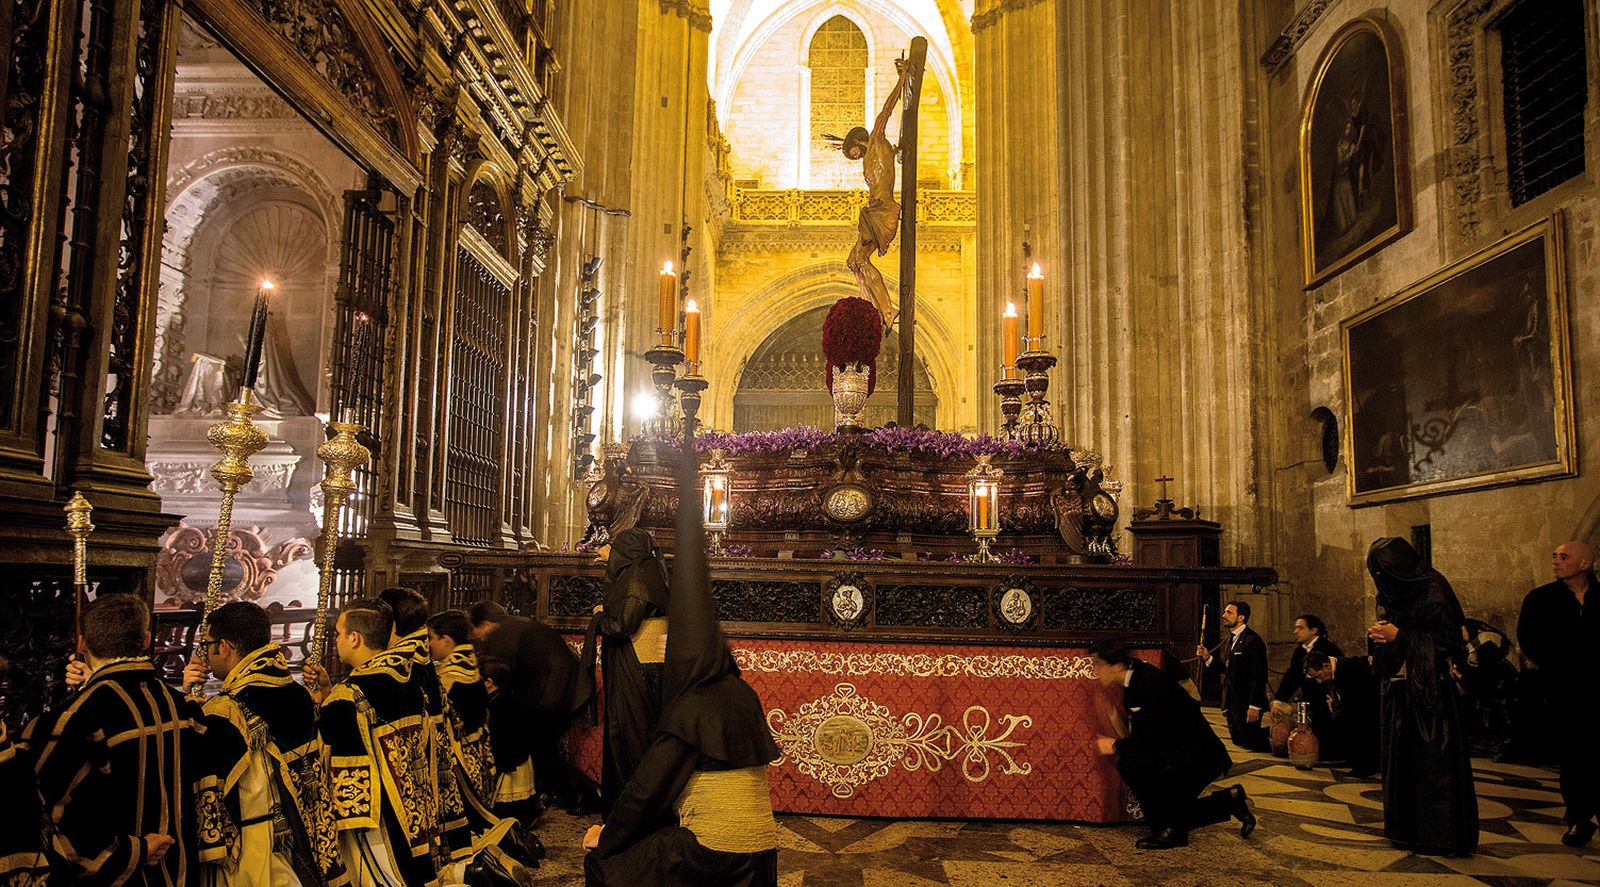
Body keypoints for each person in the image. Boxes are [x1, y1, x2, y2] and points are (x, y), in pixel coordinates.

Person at [582, 435, 780, 885]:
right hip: (763, 864)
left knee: (606, 865)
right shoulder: (741, 694)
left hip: (712, 859)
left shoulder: (690, 709)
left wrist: (607, 835)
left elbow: (646, 793)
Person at [24, 592, 202, 885]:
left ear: (82, 643)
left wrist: (136, 850)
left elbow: (46, 815)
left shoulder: (76, 718)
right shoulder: (185, 708)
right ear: (146, 640)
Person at [182, 601, 345, 886]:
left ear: (224, 646)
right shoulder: (300, 694)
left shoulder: (227, 710)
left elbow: (198, 780)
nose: (205, 655)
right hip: (304, 841)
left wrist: (188, 707)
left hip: (251, 850)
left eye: (206, 645)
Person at [305, 598, 441, 885]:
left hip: (375, 820)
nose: (338, 640)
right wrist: (328, 694)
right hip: (413, 804)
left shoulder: (350, 694)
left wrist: (320, 706)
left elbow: (324, 754)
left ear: (355, 638)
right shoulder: (407, 679)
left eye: (340, 634)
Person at [1366, 537, 1478, 856]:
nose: (1380, 581)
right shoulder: (1390, 590)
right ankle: (1404, 830)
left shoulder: (1432, 589)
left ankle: (1440, 836)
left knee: (1434, 767)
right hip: (1399, 691)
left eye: (1383, 573)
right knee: (1400, 764)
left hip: (1430, 695)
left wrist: (1399, 636)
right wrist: (1382, 639)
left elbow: (1449, 641)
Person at [1091, 639, 1253, 850]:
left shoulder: (1148, 682)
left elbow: (1154, 736)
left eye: (1098, 664)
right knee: (1134, 766)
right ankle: (1228, 800)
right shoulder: (1135, 679)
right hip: (1178, 754)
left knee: (1143, 778)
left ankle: (1170, 831)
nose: (1095, 671)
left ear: (1116, 665)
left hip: (1198, 758)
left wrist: (1115, 745)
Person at [426, 608, 546, 872]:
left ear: (446, 640)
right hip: (480, 754)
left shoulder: (449, 676)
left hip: (461, 760)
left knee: (469, 824)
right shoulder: (472, 664)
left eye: (431, 638)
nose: (428, 645)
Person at [470, 600, 596, 811]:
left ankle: (580, 796)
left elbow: (499, 672)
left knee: (542, 750)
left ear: (485, 624)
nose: (476, 637)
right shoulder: (518, 625)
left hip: (548, 697)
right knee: (543, 749)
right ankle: (564, 795)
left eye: (476, 631)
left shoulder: (501, 633)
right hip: (560, 691)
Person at [580, 527, 671, 811]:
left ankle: (629, 808)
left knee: (629, 736)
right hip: (646, 667)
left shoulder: (636, 579)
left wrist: (599, 616)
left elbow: (620, 626)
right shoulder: (651, 572)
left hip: (634, 668)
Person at [1516, 540, 1598, 847]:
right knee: (1573, 756)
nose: (1556, 561)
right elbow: (1528, 638)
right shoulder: (1541, 599)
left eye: (1564, 557)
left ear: (1584, 564)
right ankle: (1578, 818)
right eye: (1554, 556)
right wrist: (1558, 667)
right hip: (1565, 690)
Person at [840, 59, 912, 326]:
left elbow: (888, 109)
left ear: (858, 141)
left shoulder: (878, 140)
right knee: (853, 262)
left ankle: (887, 308)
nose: (853, 156)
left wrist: (902, 80)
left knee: (860, 258)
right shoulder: (870, 158)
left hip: (883, 211)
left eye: (852, 151)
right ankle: (874, 310)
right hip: (874, 212)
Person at [1196, 601, 1270, 752]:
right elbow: (1229, 669)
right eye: (1224, 612)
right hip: (1232, 702)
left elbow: (1260, 675)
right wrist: (1207, 657)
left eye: (1229, 612)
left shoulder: (1253, 640)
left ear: (1241, 617)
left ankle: (1278, 737)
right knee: (1238, 741)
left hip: (1246, 702)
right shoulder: (1231, 638)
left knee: (1251, 744)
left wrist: (1254, 705)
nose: (1224, 616)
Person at [1273, 614, 1342, 758]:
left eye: (1300, 628)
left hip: (1326, 698)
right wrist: (1279, 699)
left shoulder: (1327, 648)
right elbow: (1292, 676)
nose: (1296, 631)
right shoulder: (1300, 651)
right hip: (1310, 699)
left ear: (1313, 630)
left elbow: (1335, 673)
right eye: (1295, 628)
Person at [1304, 651, 1380, 778]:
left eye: (1318, 676)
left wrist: (1334, 705)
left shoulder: (1347, 670)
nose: (1318, 681)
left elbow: (1353, 701)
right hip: (1358, 711)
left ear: (1326, 666)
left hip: (1367, 712)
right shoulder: (1338, 667)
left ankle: (1364, 768)